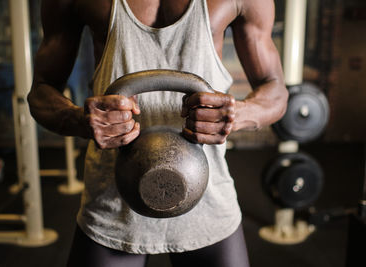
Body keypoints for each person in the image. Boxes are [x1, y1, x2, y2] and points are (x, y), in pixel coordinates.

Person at [28, 0, 288, 266]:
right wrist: (79, 120)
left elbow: (275, 90)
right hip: (113, 202)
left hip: (208, 200)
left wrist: (237, 115)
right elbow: (40, 91)